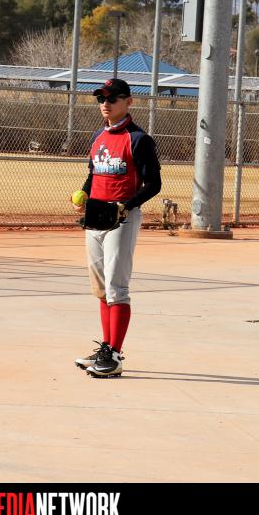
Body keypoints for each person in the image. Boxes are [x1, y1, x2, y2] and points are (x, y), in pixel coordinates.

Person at [72, 78, 162, 378]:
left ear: (128, 102)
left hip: (122, 217)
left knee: (116, 288)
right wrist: (84, 194)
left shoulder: (138, 139)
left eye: (112, 98)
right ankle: (106, 348)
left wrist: (128, 204)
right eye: (101, 99)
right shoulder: (99, 136)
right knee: (100, 288)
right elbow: (93, 174)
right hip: (95, 215)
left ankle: (114, 356)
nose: (105, 104)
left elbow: (154, 184)